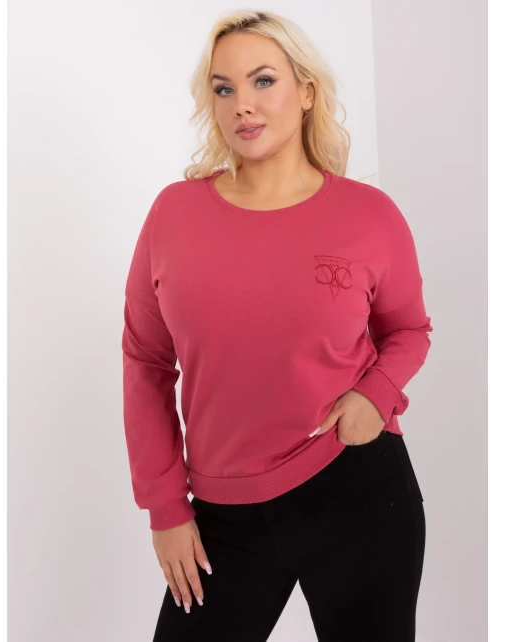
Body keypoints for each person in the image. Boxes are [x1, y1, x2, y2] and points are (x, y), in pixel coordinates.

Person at [121, 10, 433, 642]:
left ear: (306, 91)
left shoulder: (369, 215)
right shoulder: (173, 214)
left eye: (263, 80)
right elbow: (146, 361)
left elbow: (409, 329)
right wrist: (165, 508)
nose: (243, 104)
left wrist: (375, 395)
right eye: (224, 87)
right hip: (220, 519)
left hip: (355, 491)